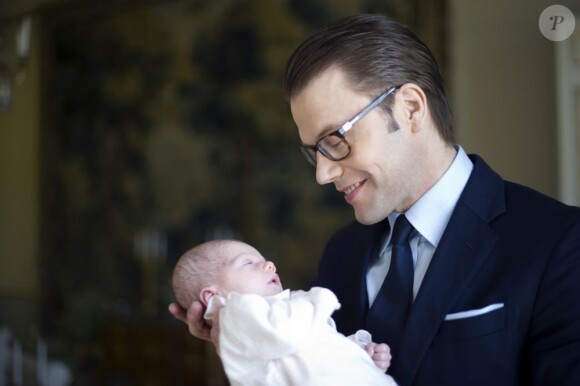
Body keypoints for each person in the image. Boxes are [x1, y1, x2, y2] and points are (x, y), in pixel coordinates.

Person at [170, 14, 580, 385]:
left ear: (410, 109)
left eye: (335, 140)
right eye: (315, 151)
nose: (322, 173)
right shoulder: (340, 254)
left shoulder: (559, 243)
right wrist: (253, 344)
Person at [171, 239, 398, 386]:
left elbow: (317, 348)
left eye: (264, 260)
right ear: (213, 297)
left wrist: (360, 353)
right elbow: (287, 334)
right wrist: (314, 300)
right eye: (248, 263)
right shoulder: (237, 312)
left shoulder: (277, 314)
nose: (269, 265)